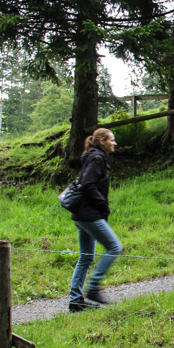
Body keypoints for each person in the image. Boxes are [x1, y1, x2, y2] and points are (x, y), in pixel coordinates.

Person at [69, 128, 123, 312]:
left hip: (81, 214)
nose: (114, 143)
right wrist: (102, 204)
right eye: (112, 140)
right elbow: (87, 184)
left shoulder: (94, 156)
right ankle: (93, 288)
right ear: (102, 141)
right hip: (89, 214)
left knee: (85, 257)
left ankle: (75, 301)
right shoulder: (97, 158)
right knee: (115, 247)